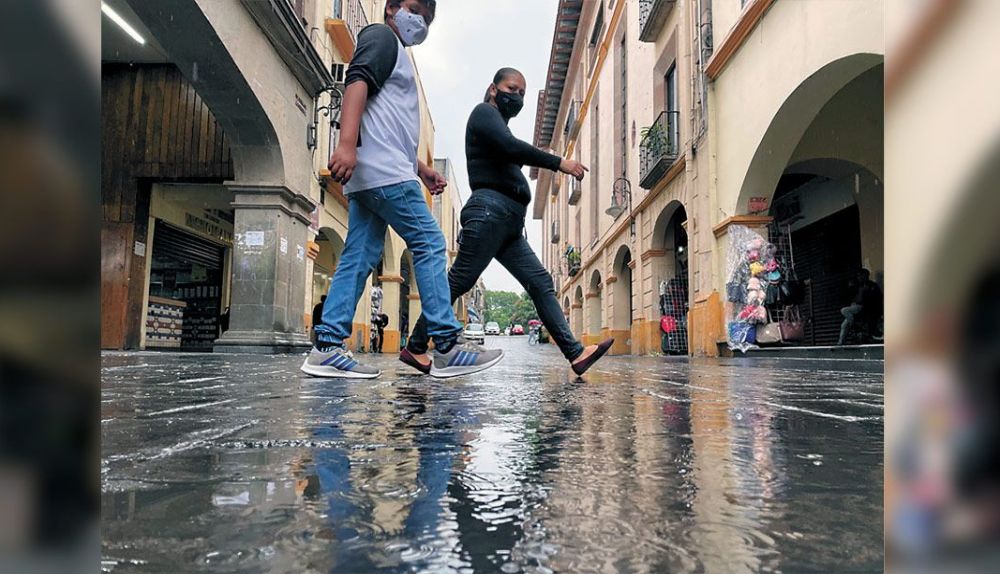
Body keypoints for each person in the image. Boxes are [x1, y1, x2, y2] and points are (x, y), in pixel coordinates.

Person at [303, 0, 503, 379]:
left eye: (428, 19)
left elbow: (389, 127)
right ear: (393, 7)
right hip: (385, 172)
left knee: (359, 256)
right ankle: (446, 345)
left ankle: (326, 347)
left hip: (376, 172)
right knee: (429, 241)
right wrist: (345, 144)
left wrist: (423, 169)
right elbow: (356, 81)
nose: (421, 22)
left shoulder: (396, 54)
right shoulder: (382, 37)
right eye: (416, 10)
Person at [399, 67, 614, 377]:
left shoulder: (498, 126)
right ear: (493, 89)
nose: (517, 97)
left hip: (509, 224)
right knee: (460, 280)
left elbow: (510, 148)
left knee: (540, 282)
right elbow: (512, 147)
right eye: (512, 89)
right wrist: (559, 163)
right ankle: (417, 345)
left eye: (522, 93)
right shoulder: (484, 113)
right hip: (489, 213)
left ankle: (576, 353)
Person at [838, 268, 883, 345]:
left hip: (865, 309)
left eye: (861, 275)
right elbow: (851, 297)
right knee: (844, 325)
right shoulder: (858, 286)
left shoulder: (872, 286)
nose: (859, 277)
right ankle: (840, 342)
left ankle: (854, 326)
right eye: (858, 276)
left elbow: (876, 300)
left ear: (866, 276)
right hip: (857, 308)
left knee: (844, 310)